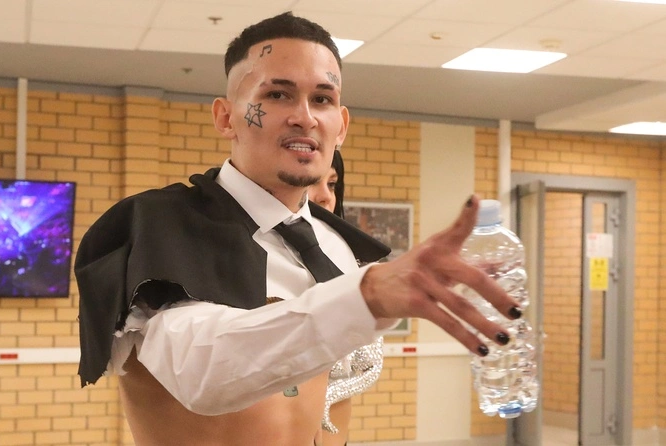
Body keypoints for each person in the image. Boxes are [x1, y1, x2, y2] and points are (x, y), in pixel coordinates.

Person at [74, 11, 521, 446]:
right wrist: (366, 297)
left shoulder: (339, 247)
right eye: (277, 95)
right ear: (226, 117)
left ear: (341, 126)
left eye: (322, 99)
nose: (305, 117)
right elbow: (203, 371)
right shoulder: (156, 226)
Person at [309, 150, 383, 446]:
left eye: (332, 184)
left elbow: (370, 364)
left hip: (332, 424)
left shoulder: (353, 264)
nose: (325, 196)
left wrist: (324, 398)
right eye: (313, 182)